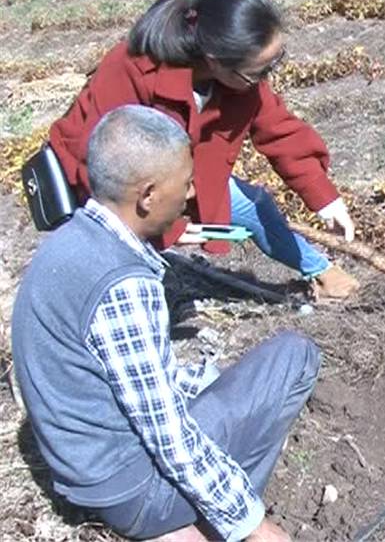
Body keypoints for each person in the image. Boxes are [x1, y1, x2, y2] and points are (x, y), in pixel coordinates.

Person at [12, 106, 319, 541]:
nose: (192, 193)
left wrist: (206, 383)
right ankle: (210, 526)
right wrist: (255, 525)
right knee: (294, 355)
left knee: (217, 388)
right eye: (186, 182)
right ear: (148, 195)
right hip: (131, 491)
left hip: (82, 467)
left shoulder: (68, 242)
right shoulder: (123, 284)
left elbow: (125, 377)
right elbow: (170, 437)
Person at [48, 0, 359, 299]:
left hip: (179, 175)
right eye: (258, 72)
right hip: (99, 186)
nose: (263, 80)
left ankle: (321, 271)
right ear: (214, 59)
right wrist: (168, 230)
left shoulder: (241, 78)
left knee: (253, 205)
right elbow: (99, 163)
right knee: (121, 262)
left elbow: (278, 129)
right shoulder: (132, 67)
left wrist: (325, 199)